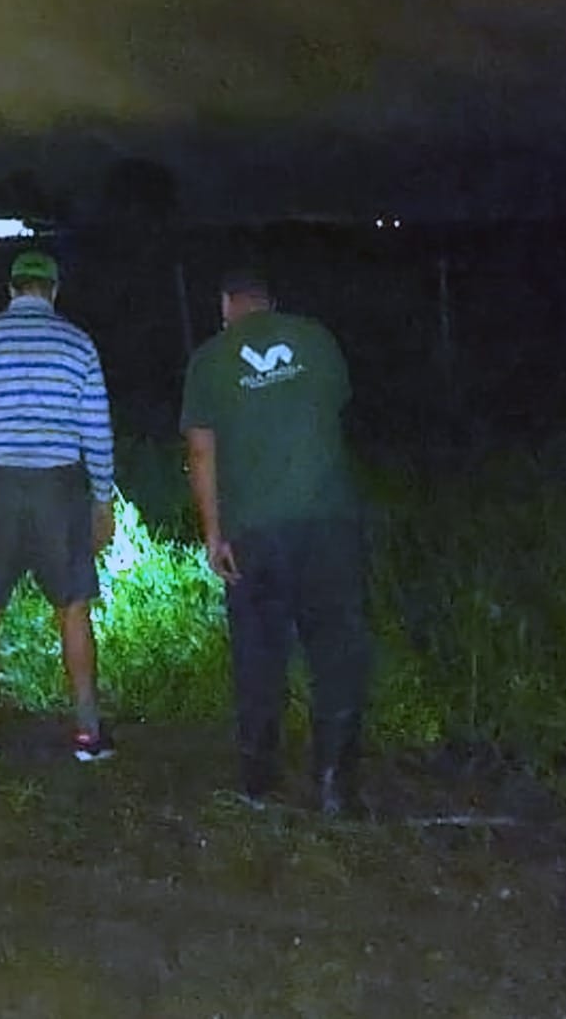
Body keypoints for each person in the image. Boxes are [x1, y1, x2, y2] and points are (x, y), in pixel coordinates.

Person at [180, 264, 370, 814]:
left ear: (226, 305)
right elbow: (335, 407)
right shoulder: (316, 339)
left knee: (259, 654)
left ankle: (260, 783)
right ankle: (334, 784)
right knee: (336, 650)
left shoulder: (210, 359)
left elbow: (200, 453)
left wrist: (214, 536)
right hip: (329, 524)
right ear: (270, 300)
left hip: (254, 533)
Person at [0, 249, 116, 774]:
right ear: (54, 290)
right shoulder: (77, 343)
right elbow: (96, 428)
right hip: (58, 487)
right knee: (73, 608)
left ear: (12, 289)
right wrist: (102, 498)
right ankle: (87, 731)